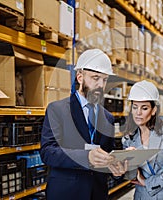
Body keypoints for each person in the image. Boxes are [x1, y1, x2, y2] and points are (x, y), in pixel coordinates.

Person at [40, 49, 126, 200]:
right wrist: (86, 157)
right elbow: (48, 152)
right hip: (66, 193)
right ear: (80, 77)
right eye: (95, 78)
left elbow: (108, 154)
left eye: (104, 80)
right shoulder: (57, 110)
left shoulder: (108, 117)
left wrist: (116, 168)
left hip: (97, 193)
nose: (100, 85)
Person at [122, 80, 163, 200]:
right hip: (143, 196)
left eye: (144, 108)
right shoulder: (128, 140)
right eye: (135, 107)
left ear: (153, 110)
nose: (138, 113)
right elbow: (131, 176)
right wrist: (129, 163)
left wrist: (148, 183)